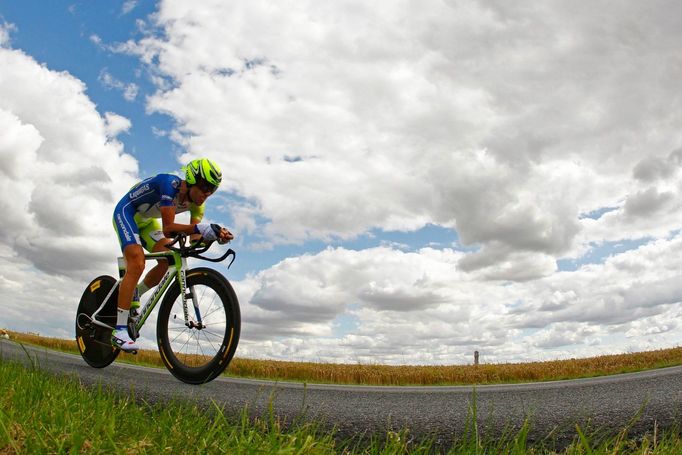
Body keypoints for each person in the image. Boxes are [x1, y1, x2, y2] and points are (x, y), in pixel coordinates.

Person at [111, 158, 233, 351]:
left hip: (147, 223)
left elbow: (194, 238)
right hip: (127, 213)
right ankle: (119, 330)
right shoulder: (169, 185)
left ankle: (137, 291)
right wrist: (203, 228)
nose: (206, 194)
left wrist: (214, 236)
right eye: (204, 187)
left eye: (212, 190)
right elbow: (168, 229)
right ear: (192, 179)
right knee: (137, 263)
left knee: (167, 258)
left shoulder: (198, 205)